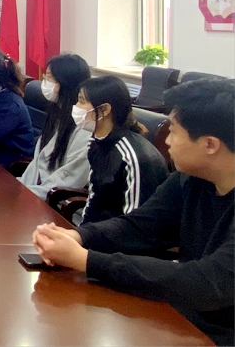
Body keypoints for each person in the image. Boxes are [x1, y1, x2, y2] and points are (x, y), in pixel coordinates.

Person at [32, 79, 234, 346]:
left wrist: (86, 260)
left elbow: (208, 283)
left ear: (210, 145)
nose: (167, 141)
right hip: (185, 318)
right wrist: (80, 237)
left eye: (173, 132)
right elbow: (140, 226)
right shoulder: (191, 178)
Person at [74, 76, 169, 224]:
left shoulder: (134, 157)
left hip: (125, 235)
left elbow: (134, 224)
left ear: (104, 109)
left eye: (81, 101)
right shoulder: (97, 142)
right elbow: (95, 197)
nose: (76, 106)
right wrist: (81, 233)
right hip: (100, 231)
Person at [19, 53, 92, 200]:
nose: (44, 82)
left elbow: (69, 177)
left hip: (55, 201)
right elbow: (39, 163)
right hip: (35, 191)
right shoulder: (57, 114)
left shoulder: (84, 125)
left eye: (48, 77)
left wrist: (25, 193)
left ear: (64, 83)